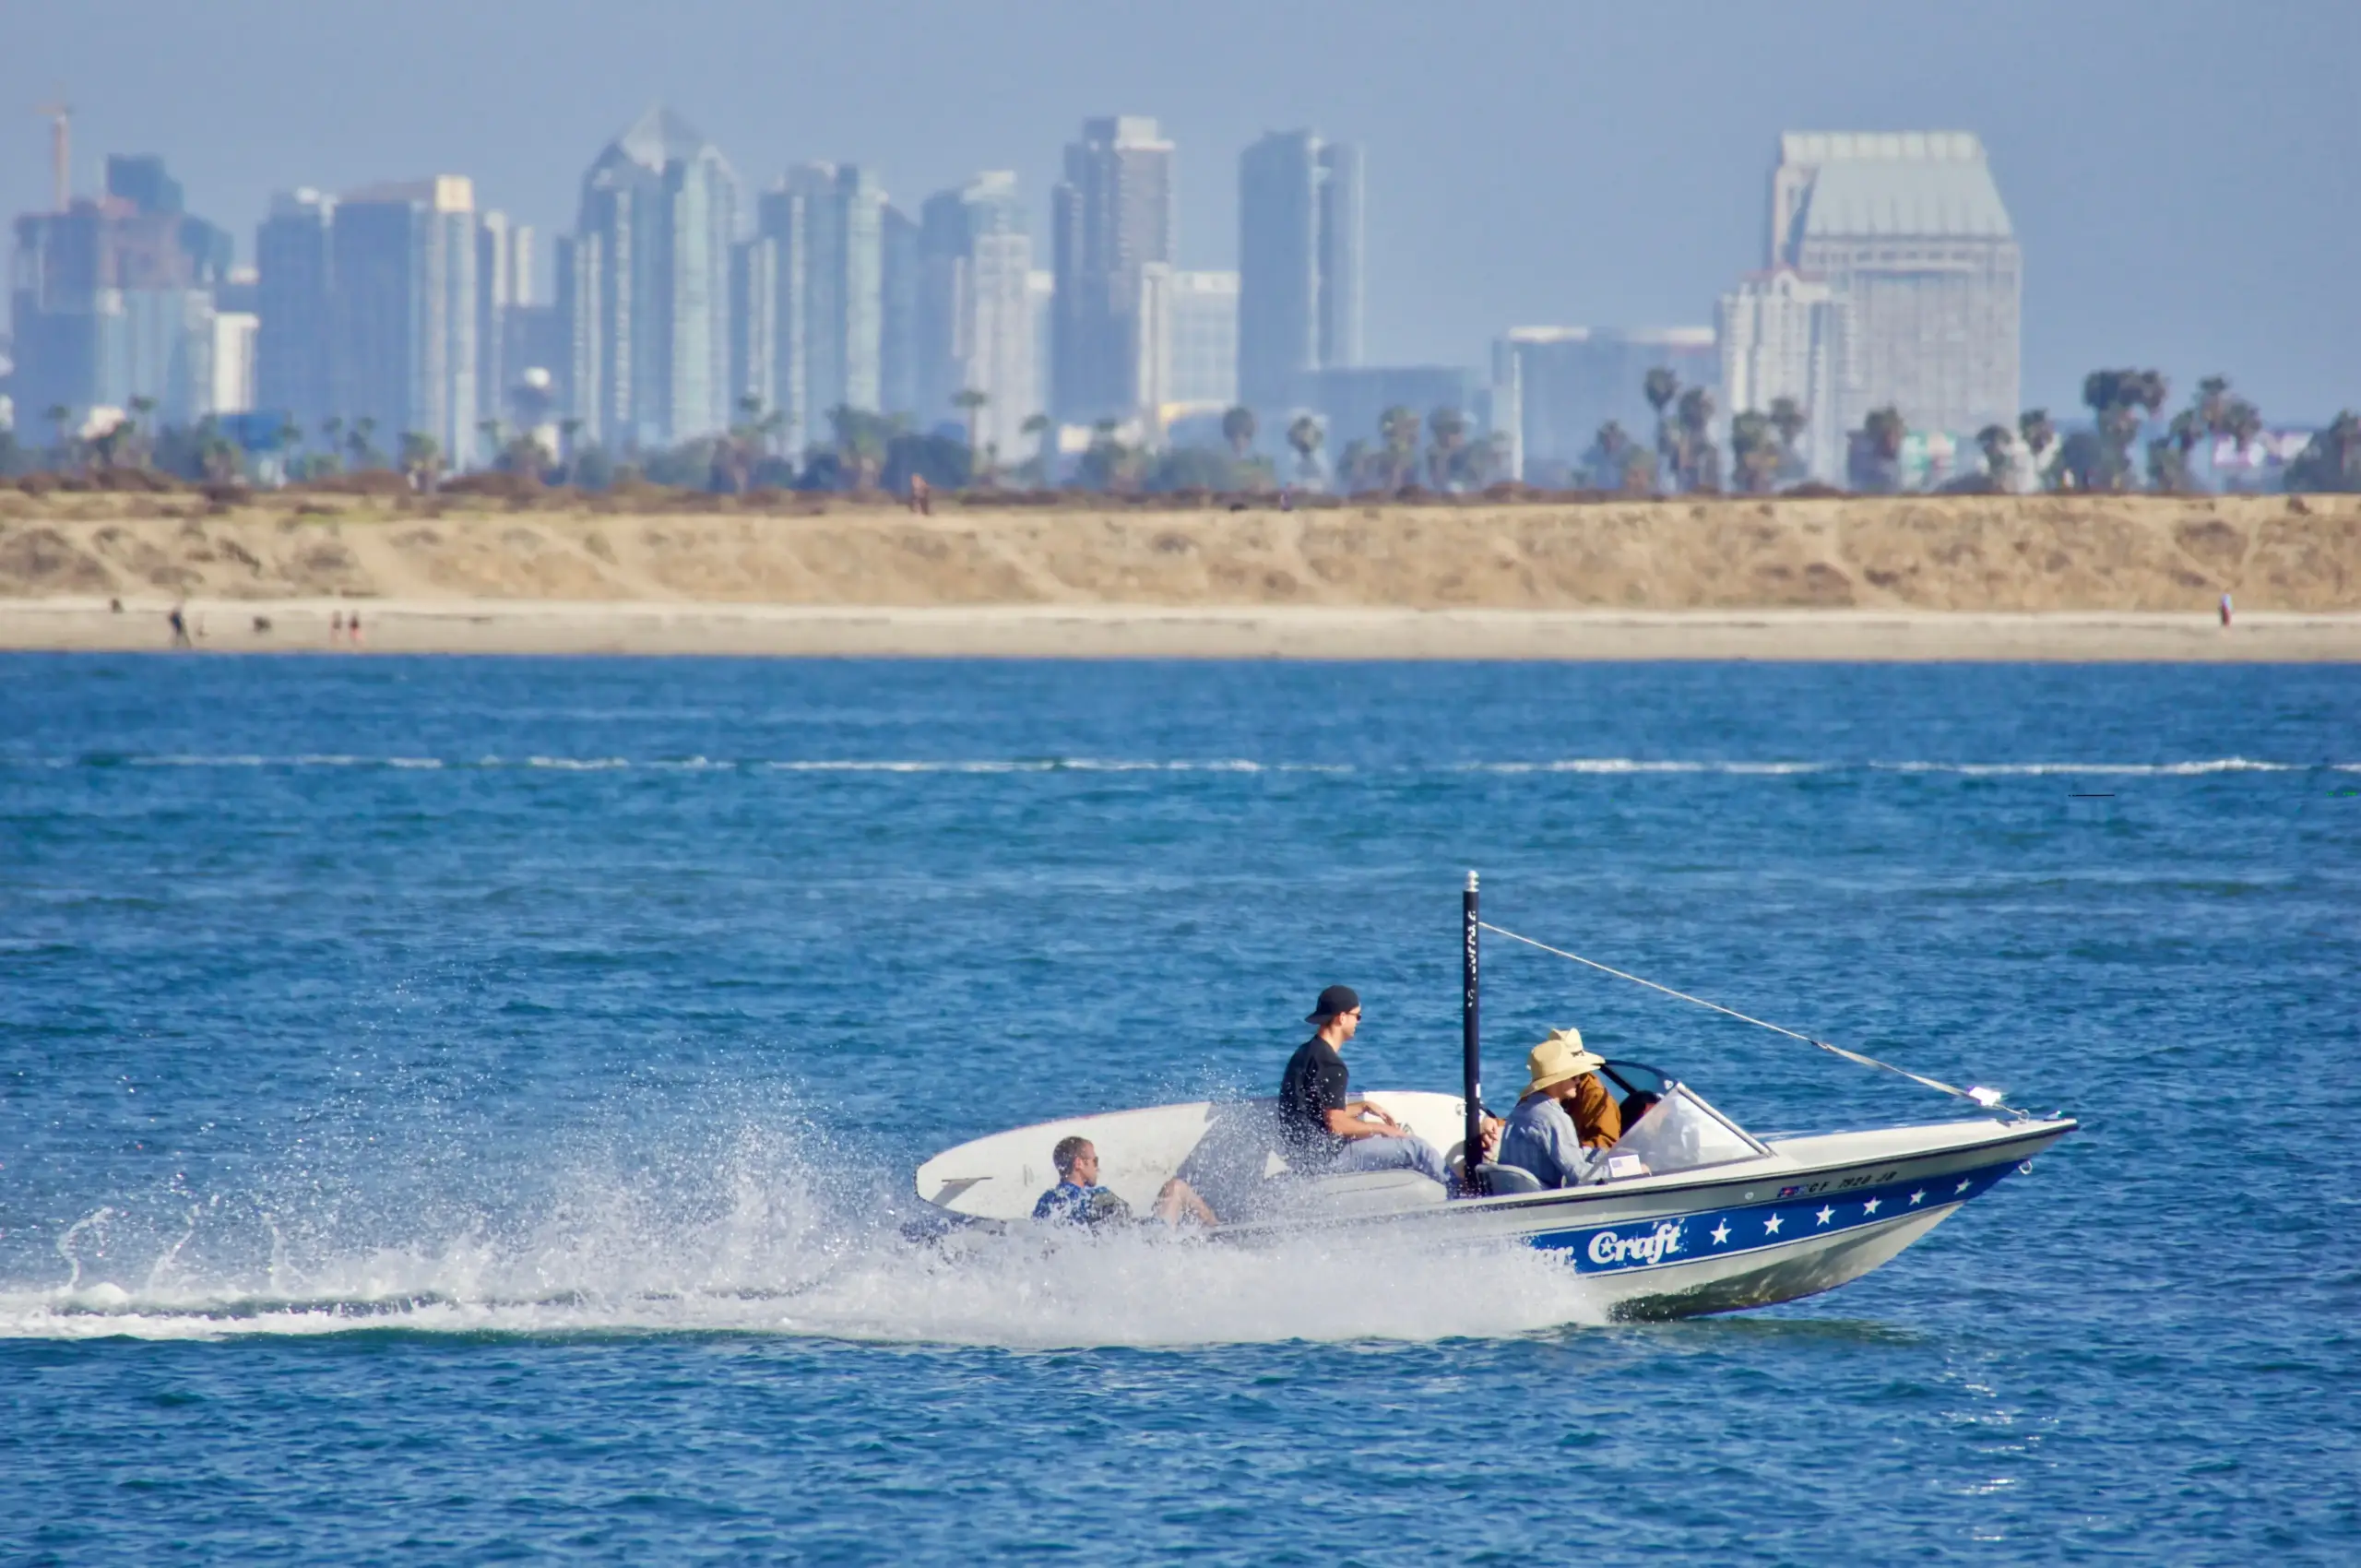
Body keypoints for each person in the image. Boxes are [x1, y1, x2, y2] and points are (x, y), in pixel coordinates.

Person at [1277, 985, 1452, 1186]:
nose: (1358, 1022)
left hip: (1302, 1155)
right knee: (1418, 1149)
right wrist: (1381, 1129)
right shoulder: (1332, 1065)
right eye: (1357, 1016)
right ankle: (1462, 1199)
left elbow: (1317, 1114)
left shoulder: (1304, 1053)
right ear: (1341, 1018)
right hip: (1326, 1158)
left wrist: (1363, 1106)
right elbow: (1336, 1124)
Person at [1496, 1029, 1614, 1189]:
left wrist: (1595, 1154)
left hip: (1515, 1196)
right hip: (1544, 1203)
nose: (1579, 1080)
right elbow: (1580, 1176)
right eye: (1574, 1075)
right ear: (1558, 1080)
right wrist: (1628, 1171)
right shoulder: (1554, 1119)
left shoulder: (1519, 1112)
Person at [1032, 1135, 1217, 1229]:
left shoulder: (1047, 1200)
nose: (1097, 1168)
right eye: (1094, 1162)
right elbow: (1125, 1215)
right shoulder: (1095, 1196)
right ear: (1079, 1163)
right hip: (1151, 1245)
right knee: (1176, 1187)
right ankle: (1219, 1230)